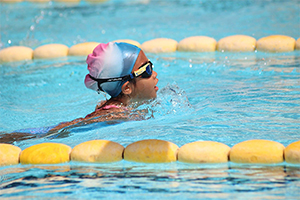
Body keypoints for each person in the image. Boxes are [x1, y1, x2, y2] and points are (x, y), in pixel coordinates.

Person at [0, 42, 159, 143]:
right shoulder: (118, 115)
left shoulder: (115, 107)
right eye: (146, 69)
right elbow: (70, 127)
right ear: (126, 88)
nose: (154, 74)